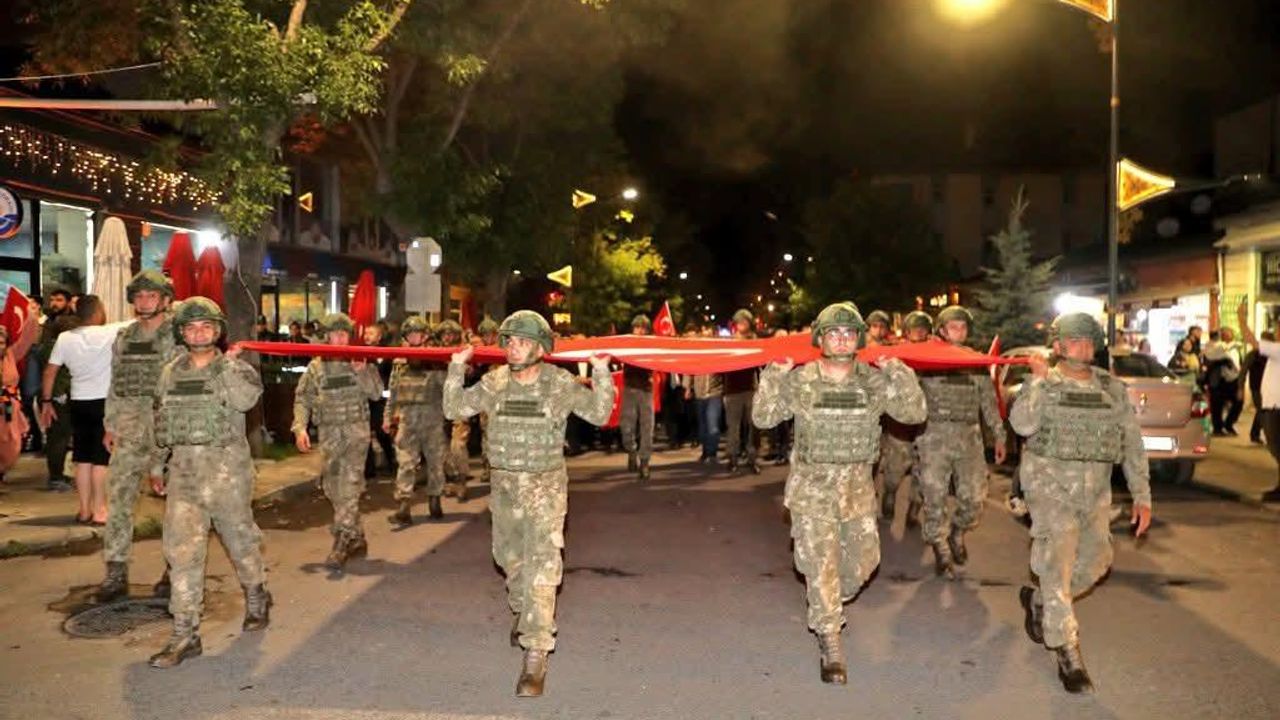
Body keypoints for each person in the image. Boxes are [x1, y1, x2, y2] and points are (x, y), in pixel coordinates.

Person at [753, 302, 926, 684]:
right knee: (822, 567)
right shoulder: (801, 380)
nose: (842, 339)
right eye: (834, 333)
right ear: (821, 339)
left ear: (859, 339)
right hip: (812, 494)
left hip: (857, 493)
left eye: (849, 333)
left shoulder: (872, 382)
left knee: (863, 564)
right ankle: (830, 638)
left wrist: (900, 372)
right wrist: (773, 377)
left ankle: (827, 597)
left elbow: (914, 414)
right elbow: (763, 418)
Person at [443, 310, 614, 698]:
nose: (513, 348)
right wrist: (456, 369)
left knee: (542, 567)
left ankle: (536, 650)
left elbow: (600, 414)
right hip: (504, 489)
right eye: (509, 342)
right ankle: (524, 612)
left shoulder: (559, 383)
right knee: (509, 560)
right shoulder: (495, 382)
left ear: (540, 348)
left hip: (545, 489)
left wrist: (601, 373)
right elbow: (455, 409)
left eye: (522, 342)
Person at [1010, 312, 1152, 693]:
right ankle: (1067, 651)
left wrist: (1142, 495)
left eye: (1089, 340)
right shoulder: (1044, 382)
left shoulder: (1111, 388)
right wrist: (1037, 383)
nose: (1084, 346)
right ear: (1058, 345)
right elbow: (1021, 425)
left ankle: (1042, 601)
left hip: (1095, 494)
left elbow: (1132, 443)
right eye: (1075, 340)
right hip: (1050, 490)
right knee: (1057, 565)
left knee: (1097, 562)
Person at [148, 297, 271, 668]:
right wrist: (156, 464)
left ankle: (256, 594)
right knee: (181, 553)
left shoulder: (235, 369)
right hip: (184, 475)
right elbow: (161, 419)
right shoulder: (170, 372)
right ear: (182, 333)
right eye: (191, 327)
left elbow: (246, 401)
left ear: (217, 331)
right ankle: (185, 634)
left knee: (240, 542)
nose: (198, 333)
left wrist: (227, 367)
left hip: (227, 475)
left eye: (206, 326)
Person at [96, 271, 181, 603]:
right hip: (130, 429)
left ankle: (175, 569)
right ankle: (115, 572)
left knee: (176, 504)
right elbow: (116, 382)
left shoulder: (179, 335)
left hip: (167, 432)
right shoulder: (124, 337)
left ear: (165, 299)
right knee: (119, 500)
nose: (144, 302)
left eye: (151, 296)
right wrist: (110, 424)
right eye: (140, 296)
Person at [914, 305, 1007, 577]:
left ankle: (957, 531)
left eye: (963, 326)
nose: (960, 331)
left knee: (974, 498)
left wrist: (999, 436)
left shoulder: (974, 363)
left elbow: (988, 403)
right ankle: (940, 546)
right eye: (954, 326)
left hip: (969, 438)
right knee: (934, 495)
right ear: (942, 331)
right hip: (935, 437)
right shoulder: (927, 361)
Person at [292, 313, 385, 570]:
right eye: (335, 334)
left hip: (356, 435)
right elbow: (303, 399)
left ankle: (342, 540)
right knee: (332, 487)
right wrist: (300, 428)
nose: (340, 338)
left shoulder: (359, 360)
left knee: (350, 486)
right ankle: (357, 535)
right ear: (327, 337)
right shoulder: (316, 367)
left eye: (344, 334)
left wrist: (363, 372)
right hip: (329, 436)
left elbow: (377, 393)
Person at [39, 296, 123, 525]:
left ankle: (84, 510)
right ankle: (100, 510)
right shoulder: (111, 332)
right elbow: (144, 319)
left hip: (78, 402)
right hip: (104, 402)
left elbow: (49, 372)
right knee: (101, 459)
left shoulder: (64, 338)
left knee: (82, 457)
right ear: (98, 312)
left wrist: (46, 402)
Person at [384, 315, 447, 524]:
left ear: (425, 335)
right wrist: (387, 417)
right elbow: (392, 392)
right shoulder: (399, 362)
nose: (413, 337)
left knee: (436, 462)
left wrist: (437, 365)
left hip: (432, 418)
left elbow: (446, 388)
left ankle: (435, 500)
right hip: (407, 419)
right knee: (405, 463)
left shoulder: (435, 359)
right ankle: (404, 506)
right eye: (409, 334)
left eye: (417, 333)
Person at [878, 310, 929, 526]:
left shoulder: (934, 354)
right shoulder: (896, 356)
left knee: (924, 471)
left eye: (923, 329)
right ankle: (889, 494)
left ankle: (914, 509)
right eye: (915, 329)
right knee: (895, 469)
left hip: (926, 425)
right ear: (907, 332)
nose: (919, 333)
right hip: (900, 424)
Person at [1234, 303, 1280, 502]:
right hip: (1271, 406)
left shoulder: (1278, 350)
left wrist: (1241, 319)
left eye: (1278, 329)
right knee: (1275, 446)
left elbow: (1252, 341)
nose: (1276, 332)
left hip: (1276, 408)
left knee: (1276, 446)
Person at [36, 288, 75, 492]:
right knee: (58, 437)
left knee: (59, 436)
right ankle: (56, 478)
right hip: (57, 396)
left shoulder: (49, 343)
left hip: (54, 395)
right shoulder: (56, 346)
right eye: (52, 299)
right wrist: (50, 398)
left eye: (59, 299)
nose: (54, 303)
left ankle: (58, 475)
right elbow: (51, 373)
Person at [435, 320, 472, 500]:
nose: (447, 338)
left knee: (458, 445)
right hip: (439, 405)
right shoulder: (435, 353)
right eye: (444, 334)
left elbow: (472, 375)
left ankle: (461, 480)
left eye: (450, 334)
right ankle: (450, 480)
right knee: (442, 447)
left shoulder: (463, 353)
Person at [724, 309, 760, 474]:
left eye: (745, 321)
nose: (742, 324)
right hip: (732, 390)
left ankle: (752, 458)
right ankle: (733, 457)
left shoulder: (754, 341)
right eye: (739, 321)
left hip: (750, 388)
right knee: (733, 427)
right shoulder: (729, 342)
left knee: (753, 426)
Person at [620, 314, 656, 480]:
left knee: (647, 427)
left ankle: (645, 461)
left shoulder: (652, 346)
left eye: (643, 328)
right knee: (626, 427)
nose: (640, 331)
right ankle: (631, 451)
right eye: (637, 327)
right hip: (629, 389)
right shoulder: (626, 344)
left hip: (646, 390)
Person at [363, 321, 397, 479]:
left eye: (371, 333)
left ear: (379, 336)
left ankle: (391, 461)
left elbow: (393, 378)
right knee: (365, 434)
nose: (367, 336)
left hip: (383, 400)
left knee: (382, 432)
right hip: (367, 399)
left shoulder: (388, 355)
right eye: (366, 333)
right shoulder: (362, 354)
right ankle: (369, 469)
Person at [1204, 327, 1244, 436]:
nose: (1227, 336)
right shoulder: (1214, 346)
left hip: (1233, 379)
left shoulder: (1234, 348)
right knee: (1217, 405)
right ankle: (1218, 428)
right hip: (1217, 380)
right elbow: (1210, 357)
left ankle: (1228, 424)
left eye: (1229, 333)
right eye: (1224, 334)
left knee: (1238, 402)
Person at [1245, 331, 1273, 444]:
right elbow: (1244, 370)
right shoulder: (1254, 354)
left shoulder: (1271, 354)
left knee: (1264, 410)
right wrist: (1240, 386)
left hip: (1267, 386)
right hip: (1257, 386)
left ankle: (1255, 433)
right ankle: (1256, 433)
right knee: (1262, 410)